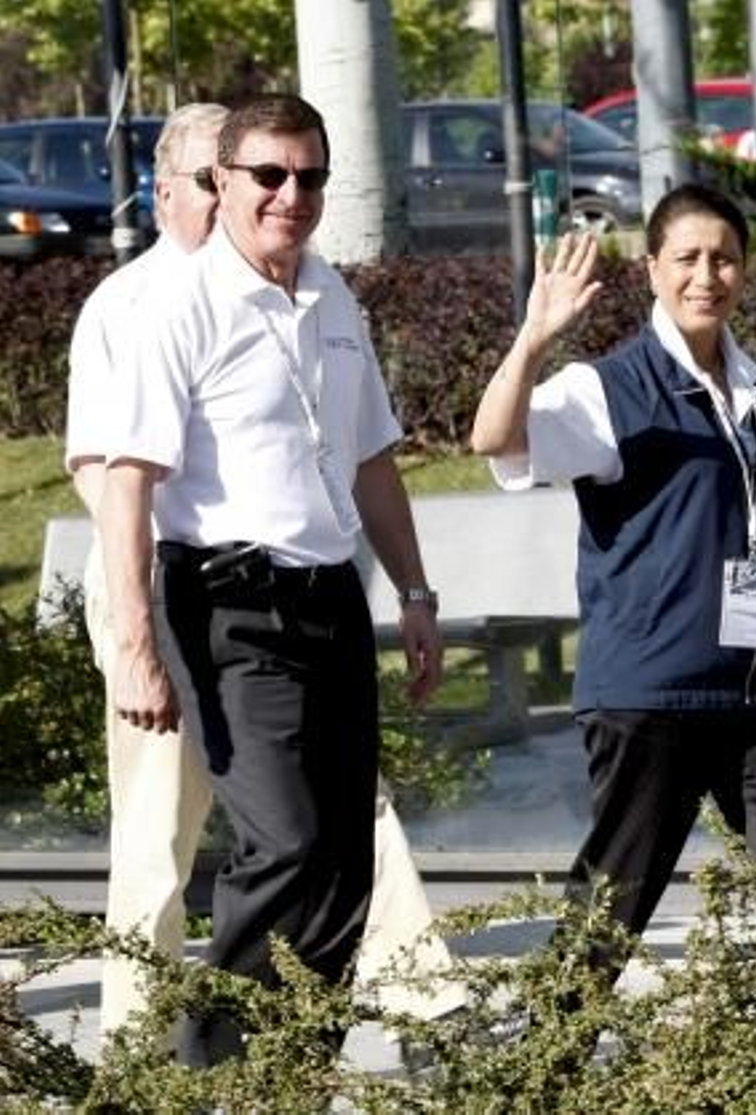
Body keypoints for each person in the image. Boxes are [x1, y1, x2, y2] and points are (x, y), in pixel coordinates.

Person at [66, 104, 465, 1049]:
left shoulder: (330, 297)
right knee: (281, 843)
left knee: (341, 859)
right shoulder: (171, 304)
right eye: (269, 178)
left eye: (311, 178)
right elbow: (124, 482)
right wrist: (134, 646)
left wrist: (413, 593)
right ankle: (214, 1067)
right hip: (223, 600)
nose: (292, 196)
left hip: (327, 597)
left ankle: (292, 1070)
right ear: (225, 184)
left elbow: (371, 459)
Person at [471, 184, 756, 969]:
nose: (706, 276)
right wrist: (535, 339)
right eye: (687, 258)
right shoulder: (606, 389)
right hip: (650, 694)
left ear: (744, 271)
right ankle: (547, 1072)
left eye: (724, 259)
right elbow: (495, 439)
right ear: (651, 269)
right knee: (610, 912)